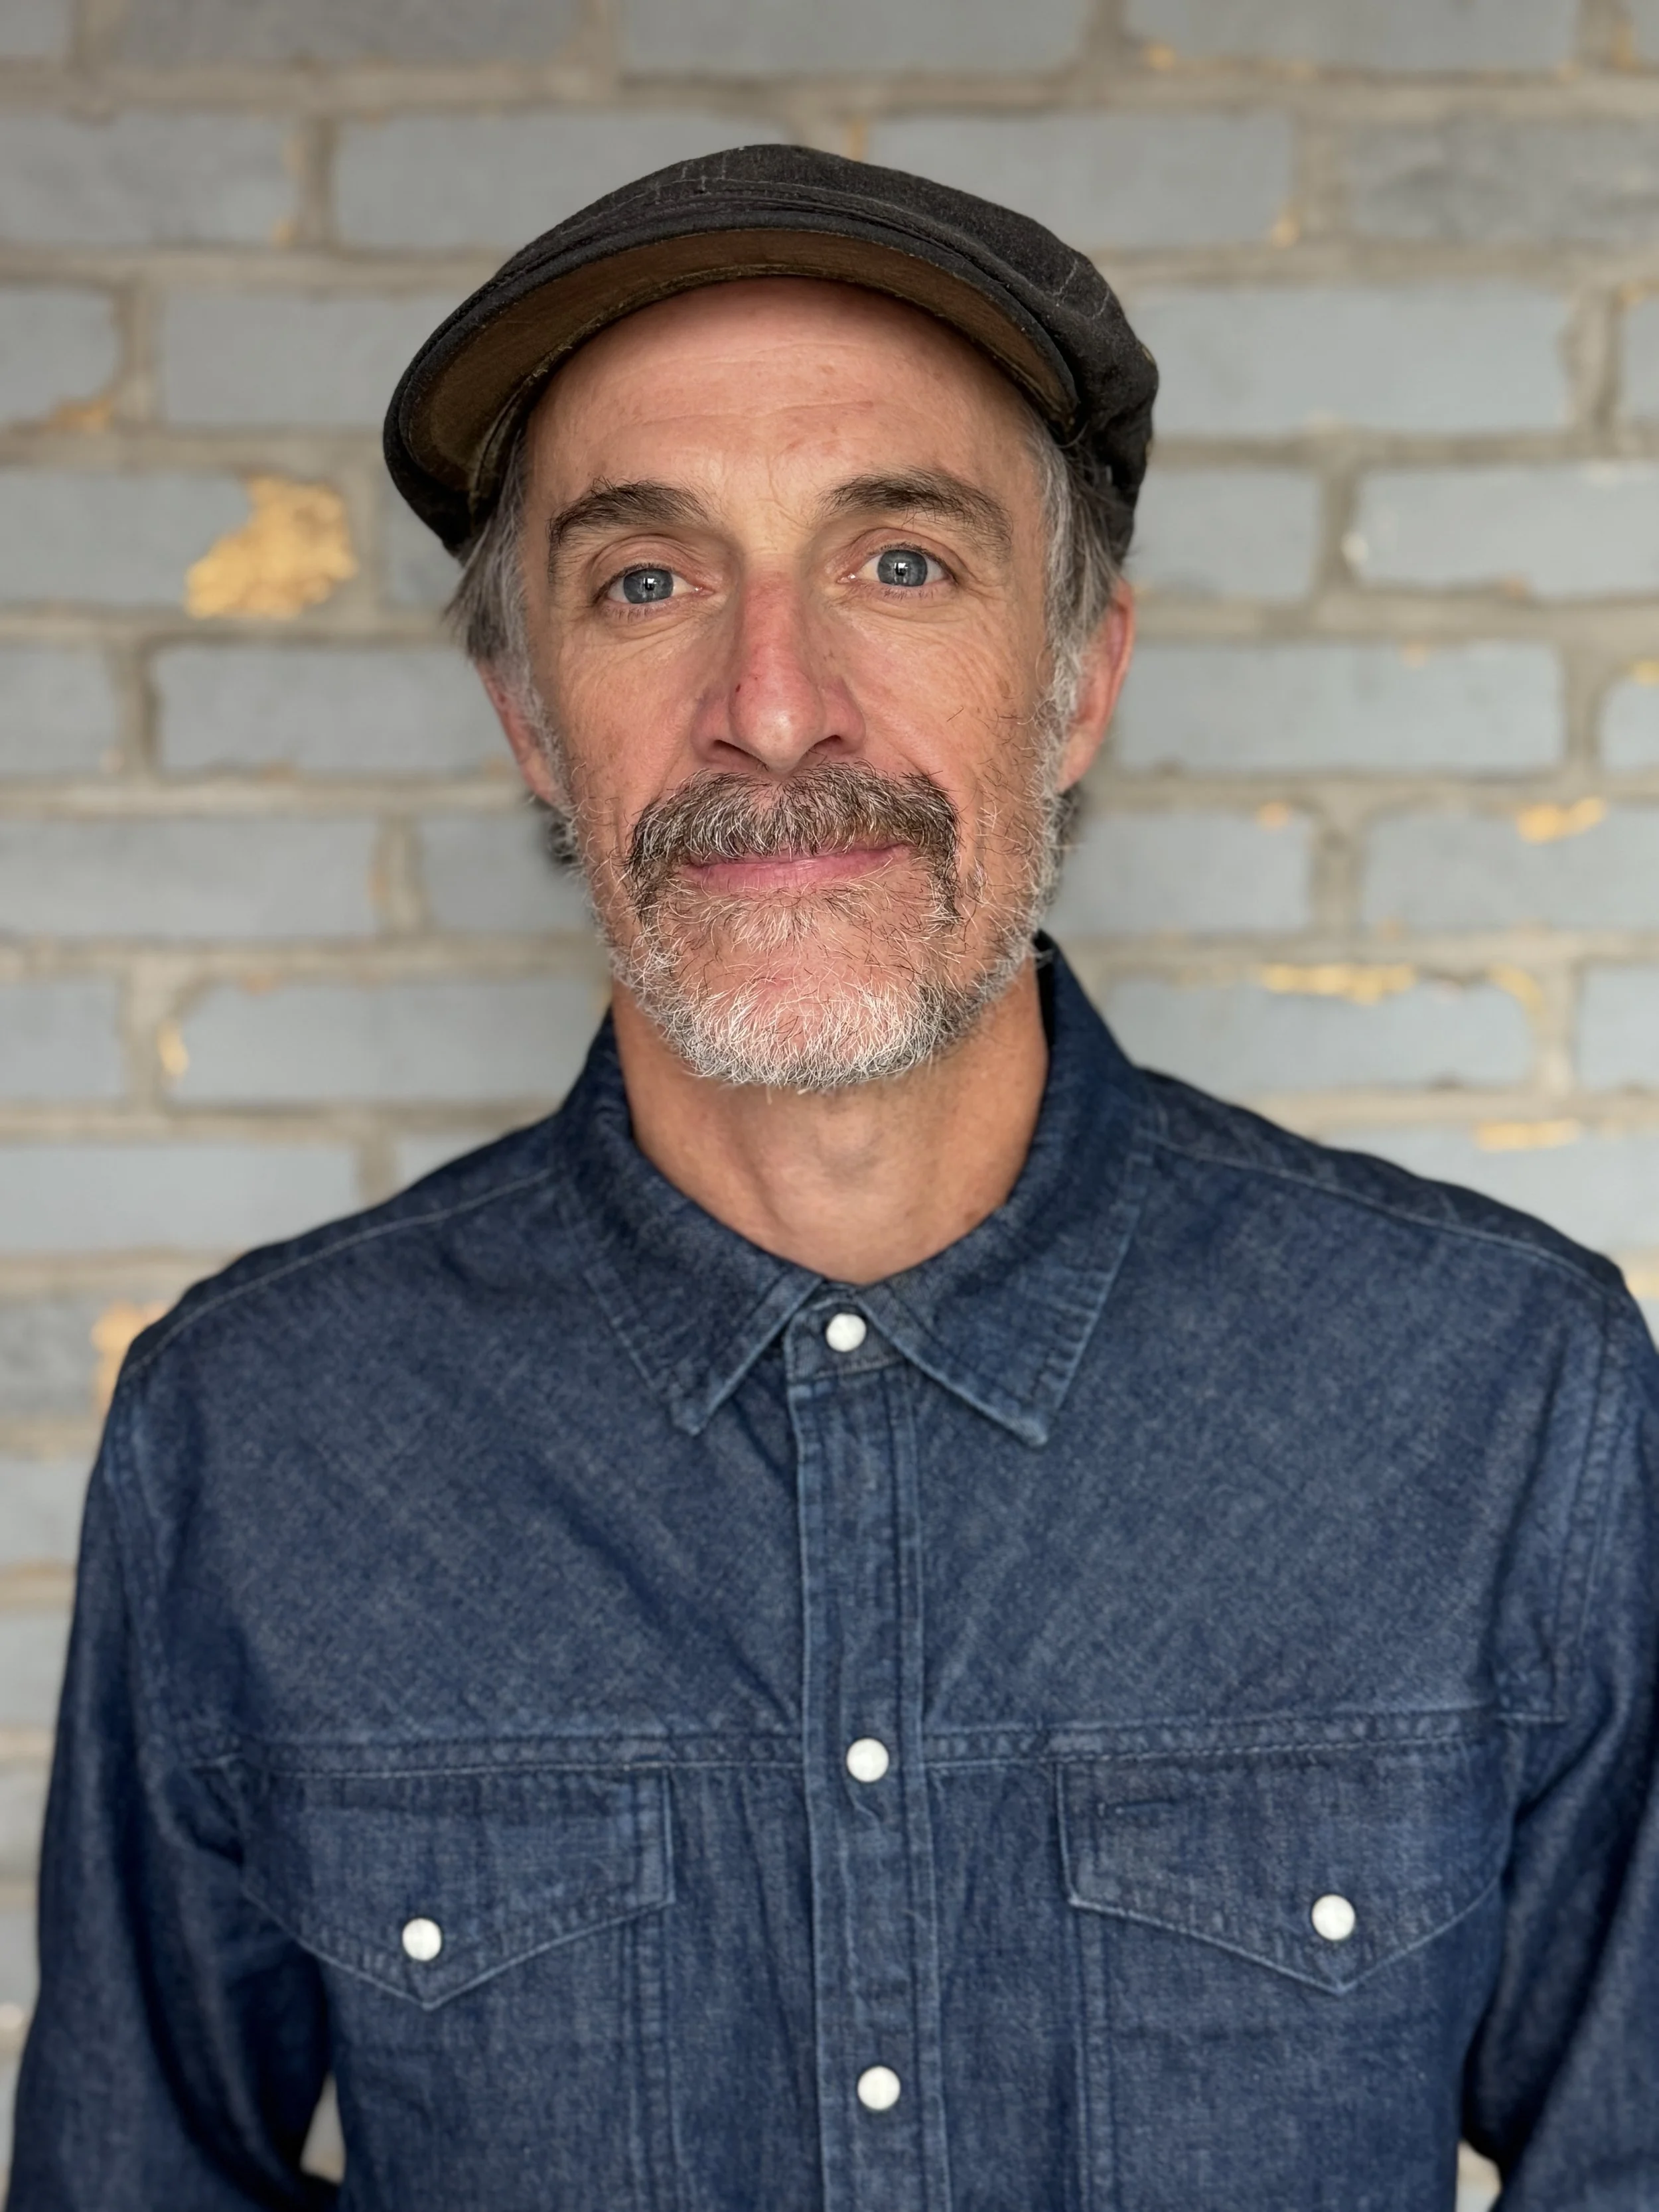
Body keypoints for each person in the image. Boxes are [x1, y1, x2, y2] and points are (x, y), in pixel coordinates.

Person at [11, 145, 1658, 2212]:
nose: (773, 709)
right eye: (645, 580)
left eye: (898, 561)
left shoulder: (1501, 1392)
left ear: (1079, 673)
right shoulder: (257, 1433)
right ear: (528, 714)